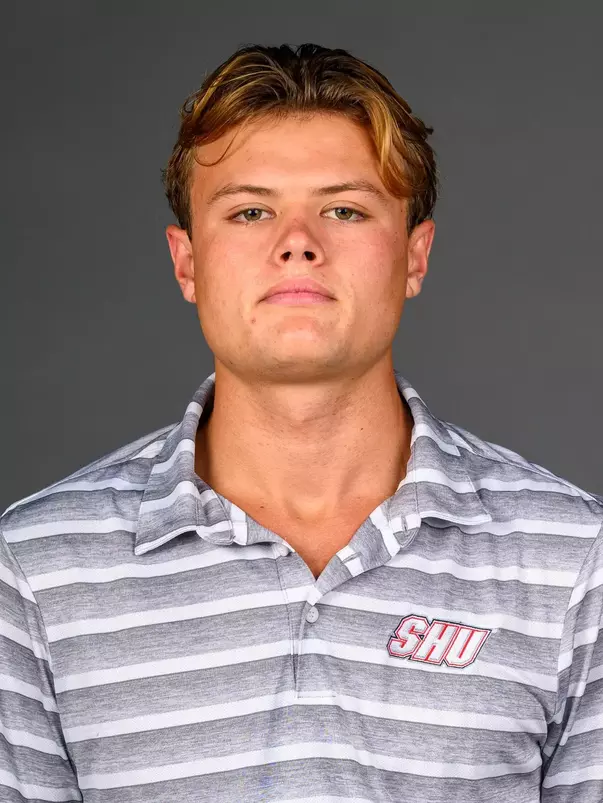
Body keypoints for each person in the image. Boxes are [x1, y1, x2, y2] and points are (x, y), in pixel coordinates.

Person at [1, 42, 601, 803]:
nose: (297, 243)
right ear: (188, 263)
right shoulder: (35, 568)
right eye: (250, 211)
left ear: (414, 256)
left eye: (344, 210)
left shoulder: (574, 561)